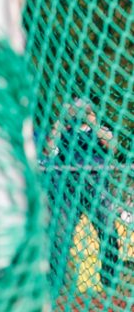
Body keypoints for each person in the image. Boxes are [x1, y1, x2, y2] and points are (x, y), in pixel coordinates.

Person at [44, 97, 121, 291]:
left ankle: (109, 282)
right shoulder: (64, 131)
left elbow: (113, 146)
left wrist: (92, 121)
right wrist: (61, 119)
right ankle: (57, 285)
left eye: (85, 110)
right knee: (59, 236)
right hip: (67, 186)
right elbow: (48, 149)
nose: (80, 114)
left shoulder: (100, 129)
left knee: (109, 232)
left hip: (96, 185)